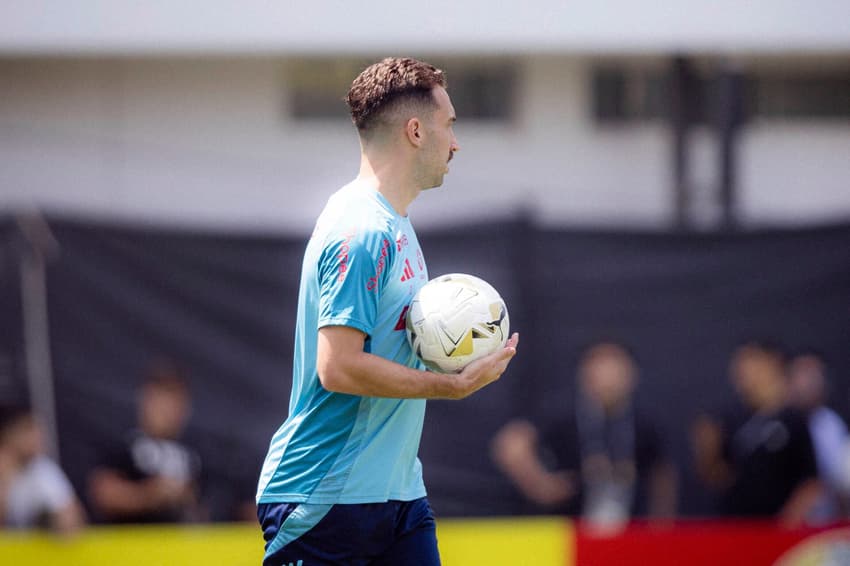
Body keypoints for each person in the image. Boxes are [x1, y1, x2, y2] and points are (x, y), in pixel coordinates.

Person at [255, 57, 519, 566]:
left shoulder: (394, 224)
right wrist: (450, 385)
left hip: (397, 494)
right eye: (451, 126)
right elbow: (337, 367)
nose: (456, 143)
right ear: (416, 131)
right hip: (326, 497)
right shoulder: (363, 231)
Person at [491, 342, 676, 529]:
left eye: (615, 371)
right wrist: (542, 486)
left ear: (631, 375)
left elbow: (663, 472)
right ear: (585, 375)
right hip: (567, 531)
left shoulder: (644, 423)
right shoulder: (563, 416)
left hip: (629, 531)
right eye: (600, 370)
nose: (608, 379)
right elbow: (511, 444)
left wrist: (660, 523)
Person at [692, 341, 821, 525]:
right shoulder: (731, 419)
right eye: (739, 366)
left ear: (772, 364)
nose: (742, 372)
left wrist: (786, 523)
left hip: (778, 529)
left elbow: (811, 481)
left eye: (750, 364)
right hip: (736, 526)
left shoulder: (794, 419)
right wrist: (707, 451)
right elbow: (718, 478)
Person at [88, 363, 201, 523]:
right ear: (146, 401)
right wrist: (150, 495)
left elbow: (202, 510)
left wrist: (185, 497)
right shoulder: (126, 446)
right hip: (133, 543)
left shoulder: (193, 455)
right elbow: (103, 493)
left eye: (174, 401)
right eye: (161, 399)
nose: (167, 410)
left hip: (179, 544)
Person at [0, 403, 85, 534]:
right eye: (27, 429)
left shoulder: (42, 469)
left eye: (38, 429)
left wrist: (48, 519)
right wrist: (4, 480)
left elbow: (72, 523)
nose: (37, 436)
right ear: (7, 434)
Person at [787, 351, 848, 522]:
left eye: (814, 374)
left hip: (824, 527)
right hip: (777, 526)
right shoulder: (778, 423)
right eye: (801, 373)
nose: (807, 382)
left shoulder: (832, 425)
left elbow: (840, 484)